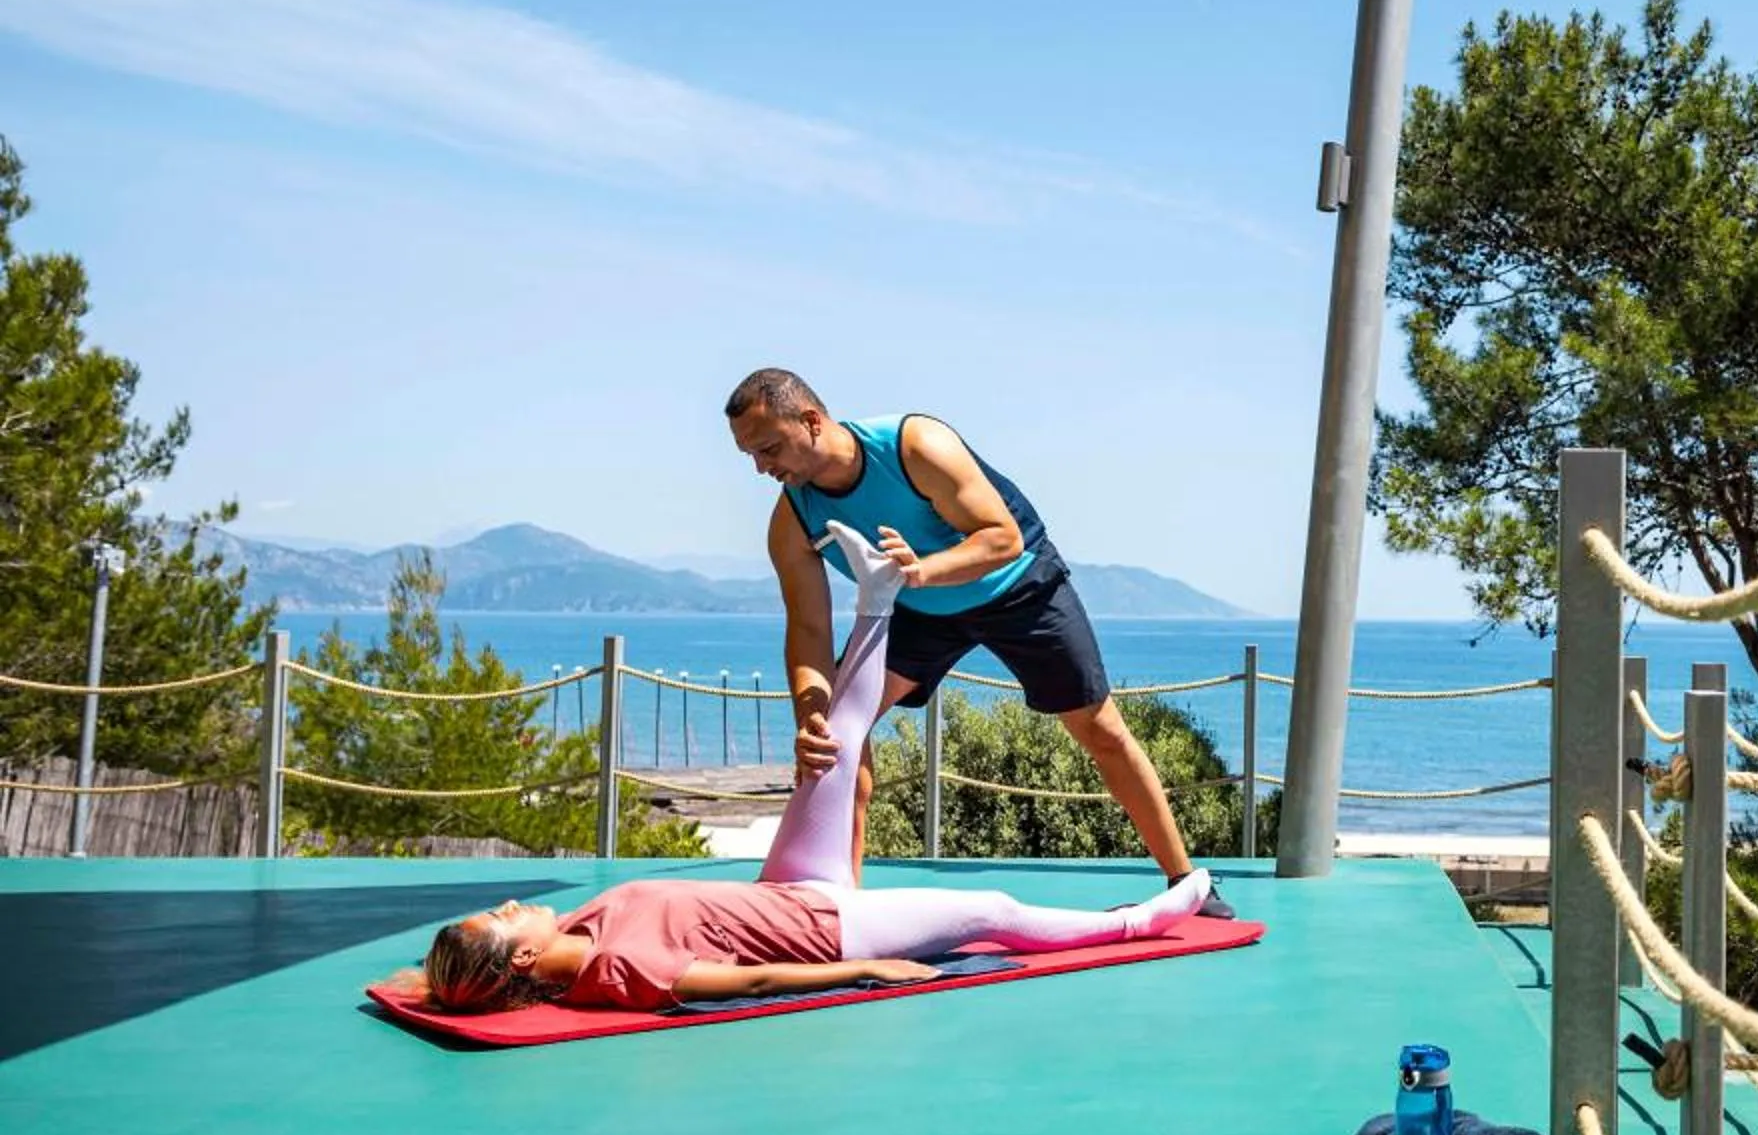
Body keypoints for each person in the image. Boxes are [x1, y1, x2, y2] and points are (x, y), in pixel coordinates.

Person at [390, 524, 1219, 1014]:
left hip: (780, 890)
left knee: (835, 747)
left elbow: (429, 983)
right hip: (827, 929)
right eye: (504, 919)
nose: (509, 902)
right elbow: (742, 978)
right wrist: (860, 968)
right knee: (993, 909)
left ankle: (879, 594)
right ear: (523, 963)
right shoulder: (614, 969)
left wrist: (433, 979)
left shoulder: (572, 936)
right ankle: (1143, 918)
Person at [722, 367, 1231, 915]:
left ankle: (1186, 882)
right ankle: (838, 904)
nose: (761, 467)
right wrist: (811, 713)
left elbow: (1002, 538)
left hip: (1018, 590)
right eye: (750, 455)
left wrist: (923, 571)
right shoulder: (793, 519)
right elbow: (808, 628)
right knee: (840, 736)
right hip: (917, 612)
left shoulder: (915, 446)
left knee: (1101, 729)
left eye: (769, 448)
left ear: (812, 421)